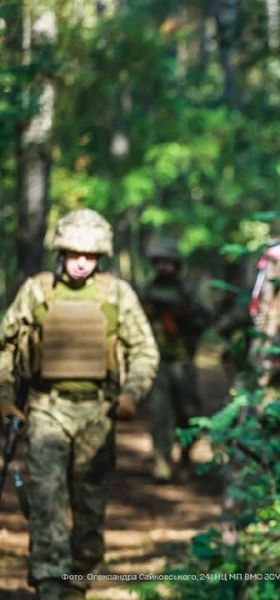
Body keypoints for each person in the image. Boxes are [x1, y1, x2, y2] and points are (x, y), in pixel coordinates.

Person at [0, 208, 159, 600]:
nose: (81, 263)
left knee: (90, 507)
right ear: (61, 252)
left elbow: (144, 350)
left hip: (97, 412)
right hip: (46, 407)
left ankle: (77, 579)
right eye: (74, 254)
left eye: (89, 256)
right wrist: (5, 398)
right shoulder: (37, 291)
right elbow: (6, 348)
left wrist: (131, 394)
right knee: (47, 499)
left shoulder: (117, 294)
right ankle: (50, 581)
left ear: (101, 256)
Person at [139, 236, 211, 483]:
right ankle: (162, 461)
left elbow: (204, 319)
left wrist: (183, 319)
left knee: (187, 413)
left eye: (169, 263)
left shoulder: (189, 291)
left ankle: (186, 458)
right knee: (158, 414)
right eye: (160, 263)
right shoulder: (147, 291)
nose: (164, 268)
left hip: (182, 361)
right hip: (156, 362)